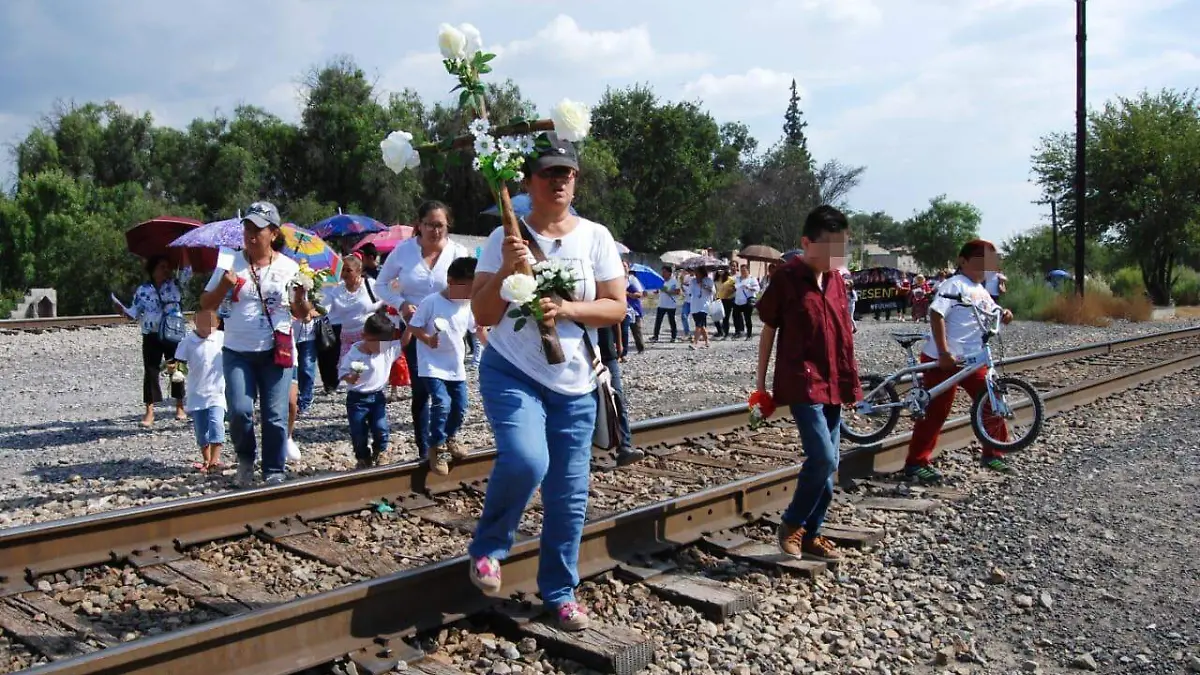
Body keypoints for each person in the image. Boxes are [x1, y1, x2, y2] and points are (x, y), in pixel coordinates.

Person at [467, 132, 626, 631]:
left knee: (569, 495)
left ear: (575, 181)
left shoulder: (595, 237)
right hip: (512, 370)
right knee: (526, 459)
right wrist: (506, 269)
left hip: (575, 380)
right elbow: (483, 313)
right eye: (548, 173)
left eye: (567, 174)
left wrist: (568, 308)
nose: (559, 182)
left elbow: (616, 307)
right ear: (528, 182)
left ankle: (559, 592)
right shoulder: (503, 237)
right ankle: (489, 550)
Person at [754, 205, 861, 561]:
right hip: (802, 381)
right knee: (823, 457)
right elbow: (769, 330)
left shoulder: (837, 281)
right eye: (830, 246)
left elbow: (843, 334)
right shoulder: (786, 278)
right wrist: (761, 385)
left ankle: (812, 533)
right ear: (807, 242)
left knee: (830, 465)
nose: (836, 254)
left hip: (833, 381)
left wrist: (850, 380)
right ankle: (791, 524)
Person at [200, 201, 311, 487]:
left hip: (276, 351)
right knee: (239, 411)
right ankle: (246, 459)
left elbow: (302, 314)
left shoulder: (289, 267)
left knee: (275, 415)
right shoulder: (229, 263)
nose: (250, 234)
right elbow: (205, 305)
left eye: (257, 229)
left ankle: (274, 469)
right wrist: (224, 285)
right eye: (247, 228)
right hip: (238, 351)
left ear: (273, 233)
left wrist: (301, 298)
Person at [903, 240, 1015, 483]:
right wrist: (944, 352)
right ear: (963, 261)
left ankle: (993, 453)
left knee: (991, 400)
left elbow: (991, 311)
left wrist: (1004, 314)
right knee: (936, 411)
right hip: (944, 359)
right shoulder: (954, 284)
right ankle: (916, 462)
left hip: (972, 359)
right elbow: (936, 313)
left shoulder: (980, 289)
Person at [376, 201, 471, 460]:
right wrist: (400, 303)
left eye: (440, 225)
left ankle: (448, 436)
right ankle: (426, 448)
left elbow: (469, 289)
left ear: (448, 225)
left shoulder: (458, 252)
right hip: (415, 331)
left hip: (449, 334)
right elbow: (381, 285)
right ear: (419, 225)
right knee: (422, 390)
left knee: (453, 390)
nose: (435, 231)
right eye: (429, 225)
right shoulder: (404, 251)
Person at [405, 257, 484, 475]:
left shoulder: (467, 305)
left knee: (461, 406)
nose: (470, 294)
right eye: (467, 288)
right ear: (451, 281)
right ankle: (436, 446)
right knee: (442, 402)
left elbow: (477, 329)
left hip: (455, 365)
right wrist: (427, 339)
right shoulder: (431, 301)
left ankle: (450, 436)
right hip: (431, 365)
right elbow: (414, 326)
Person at [121, 255, 187, 427]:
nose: (166, 270)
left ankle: (180, 406)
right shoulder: (143, 289)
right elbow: (134, 312)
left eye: (167, 267)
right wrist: (124, 312)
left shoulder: (175, 284)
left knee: (176, 369)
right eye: (162, 267)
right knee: (150, 371)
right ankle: (149, 411)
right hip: (151, 333)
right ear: (153, 270)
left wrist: (184, 255)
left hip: (172, 332)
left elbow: (188, 272)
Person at [339, 312, 405, 469]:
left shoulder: (386, 350)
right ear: (364, 336)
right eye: (378, 343)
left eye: (385, 343)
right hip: (357, 399)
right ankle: (363, 457)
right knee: (358, 432)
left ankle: (380, 451)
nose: (381, 348)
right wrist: (350, 377)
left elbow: (404, 342)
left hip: (377, 397)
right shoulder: (355, 352)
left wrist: (411, 324)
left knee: (381, 427)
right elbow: (343, 372)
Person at [173, 309, 226, 474]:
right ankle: (206, 459)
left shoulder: (222, 338)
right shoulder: (188, 341)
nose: (207, 328)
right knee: (201, 430)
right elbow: (178, 362)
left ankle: (215, 460)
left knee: (216, 423)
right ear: (195, 321)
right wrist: (174, 370)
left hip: (217, 392)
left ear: (218, 323)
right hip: (196, 393)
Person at [598, 323, 643, 466]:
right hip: (584, 357)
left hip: (607, 354)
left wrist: (619, 344)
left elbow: (616, 320)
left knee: (618, 399)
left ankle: (624, 447)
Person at [620, 260, 645, 358]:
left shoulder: (632, 279)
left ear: (628, 268)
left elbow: (640, 294)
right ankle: (623, 351)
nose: (623, 268)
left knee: (636, 330)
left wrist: (628, 294)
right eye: (621, 266)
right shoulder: (616, 279)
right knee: (623, 330)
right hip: (622, 308)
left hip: (633, 308)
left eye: (625, 266)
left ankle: (641, 348)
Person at [651, 265, 680, 342]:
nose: (663, 273)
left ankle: (673, 337)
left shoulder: (674, 281)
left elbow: (678, 292)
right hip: (661, 304)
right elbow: (658, 290)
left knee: (672, 321)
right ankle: (655, 336)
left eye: (665, 272)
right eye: (662, 272)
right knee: (658, 321)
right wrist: (656, 291)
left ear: (670, 273)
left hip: (671, 305)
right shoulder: (661, 280)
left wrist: (667, 290)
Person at [688, 267, 714, 350]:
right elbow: (690, 292)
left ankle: (695, 343)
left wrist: (704, 286)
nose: (696, 274)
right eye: (695, 272)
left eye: (697, 272)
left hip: (704, 305)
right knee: (701, 325)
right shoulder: (693, 281)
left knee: (698, 324)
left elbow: (713, 292)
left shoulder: (708, 280)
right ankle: (707, 341)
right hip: (695, 305)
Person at [732, 263, 760, 339]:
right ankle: (738, 332)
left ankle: (749, 335)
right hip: (738, 301)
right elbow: (735, 287)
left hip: (747, 301)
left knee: (747, 318)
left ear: (748, 270)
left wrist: (749, 287)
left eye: (744, 270)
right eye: (741, 270)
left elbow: (757, 289)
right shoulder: (738, 278)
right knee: (735, 317)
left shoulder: (752, 278)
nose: (743, 272)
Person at [715, 269, 736, 338]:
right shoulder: (716, 279)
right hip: (719, 299)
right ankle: (720, 331)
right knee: (716, 317)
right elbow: (715, 290)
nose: (720, 271)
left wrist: (729, 292)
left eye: (722, 270)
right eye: (719, 270)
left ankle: (726, 333)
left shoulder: (730, 279)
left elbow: (735, 289)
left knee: (725, 317)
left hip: (728, 299)